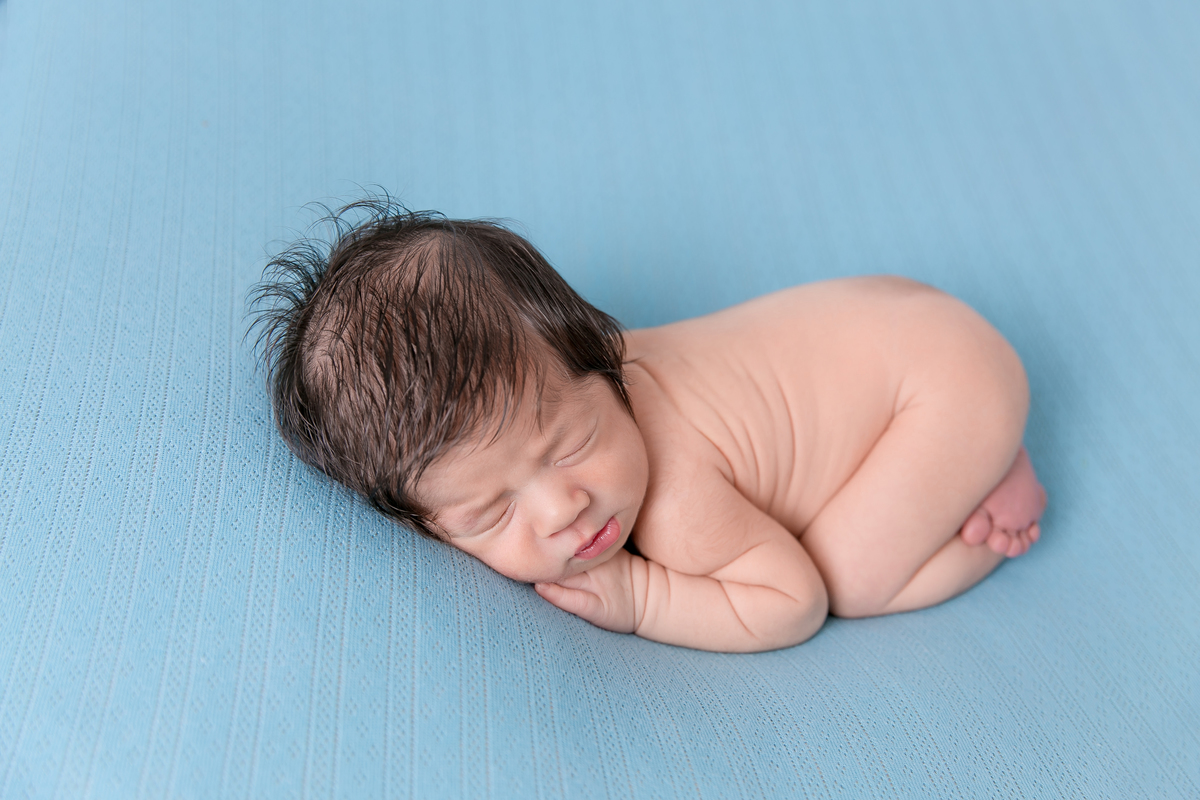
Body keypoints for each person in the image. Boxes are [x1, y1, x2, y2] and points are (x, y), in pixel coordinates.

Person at [250, 198, 1047, 653]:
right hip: (895, 318)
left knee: (848, 579)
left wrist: (643, 596)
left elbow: (791, 601)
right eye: (491, 513)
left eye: (571, 444)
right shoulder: (562, 381)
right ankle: (955, 467)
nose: (564, 509)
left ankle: (993, 501)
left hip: (944, 386)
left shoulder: (676, 502)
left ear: (599, 356)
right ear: (426, 524)